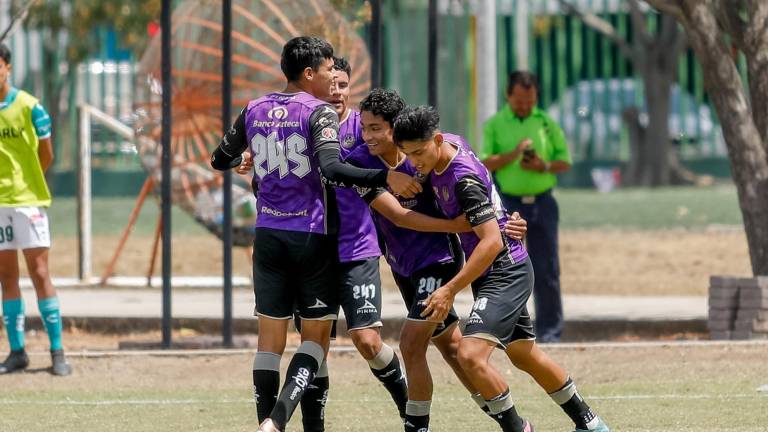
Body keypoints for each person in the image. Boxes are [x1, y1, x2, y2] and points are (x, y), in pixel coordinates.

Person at [210, 36, 420, 432]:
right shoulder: (315, 116)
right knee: (315, 345)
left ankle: (409, 409)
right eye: (330, 78)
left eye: (342, 83)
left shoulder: (365, 127)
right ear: (313, 76)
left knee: (367, 343)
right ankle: (306, 426)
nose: (336, 89)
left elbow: (401, 154)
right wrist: (255, 158)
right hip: (313, 243)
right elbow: (328, 168)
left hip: (352, 248)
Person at [394, 106, 609, 432]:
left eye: (420, 153)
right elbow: (489, 201)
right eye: (407, 155)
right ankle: (590, 423)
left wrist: (450, 289)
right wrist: (504, 215)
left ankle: (518, 428)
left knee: (470, 356)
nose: (415, 163)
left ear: (437, 140)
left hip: (505, 269)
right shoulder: (449, 144)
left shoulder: (461, 179)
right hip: (493, 270)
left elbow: (491, 242)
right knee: (523, 354)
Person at [346, 88, 530, 432]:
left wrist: (505, 220)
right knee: (450, 345)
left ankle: (417, 426)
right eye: (364, 127)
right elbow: (397, 216)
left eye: (376, 128)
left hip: (438, 259)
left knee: (411, 344)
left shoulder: (424, 154)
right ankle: (507, 417)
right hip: (402, 265)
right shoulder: (361, 162)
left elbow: (476, 183)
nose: (368, 135)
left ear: (395, 128)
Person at [480, 71, 572, 343]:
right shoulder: (495, 124)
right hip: (509, 203)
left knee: (547, 269)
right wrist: (514, 154)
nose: (524, 105)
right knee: (508, 267)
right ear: (508, 95)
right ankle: (510, 331)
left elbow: (564, 161)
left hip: (543, 202)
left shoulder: (546, 123)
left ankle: (550, 332)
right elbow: (485, 161)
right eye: (519, 100)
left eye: (530, 100)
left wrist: (542, 166)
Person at [0, 43, 71, 376]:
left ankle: (57, 350)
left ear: (8, 67)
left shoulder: (31, 107)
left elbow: (48, 154)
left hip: (29, 202)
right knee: (7, 277)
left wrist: (28, 182)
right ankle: (17, 352)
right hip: (0, 204)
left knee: (40, 273)